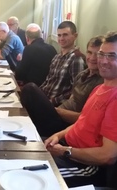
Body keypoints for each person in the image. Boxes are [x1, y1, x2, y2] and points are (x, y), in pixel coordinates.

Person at [44, 31, 117, 188]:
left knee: (34, 177)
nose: (103, 61)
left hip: (87, 167)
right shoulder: (99, 88)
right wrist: (57, 135)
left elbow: (108, 156)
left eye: (112, 56)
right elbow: (81, 122)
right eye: (102, 54)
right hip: (67, 148)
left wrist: (65, 151)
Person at [21, 35, 104, 137]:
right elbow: (71, 98)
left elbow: (84, 119)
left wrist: (54, 109)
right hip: (57, 113)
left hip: (66, 125)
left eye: (98, 54)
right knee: (26, 110)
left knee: (30, 89)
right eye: (90, 52)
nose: (92, 58)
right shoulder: (82, 75)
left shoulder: (100, 83)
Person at [22, 21, 86, 107]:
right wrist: (37, 93)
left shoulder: (76, 59)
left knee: (28, 89)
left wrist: (51, 101)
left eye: (65, 35)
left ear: (75, 36)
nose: (61, 38)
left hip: (55, 105)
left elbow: (74, 91)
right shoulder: (57, 57)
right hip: (44, 98)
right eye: (59, 35)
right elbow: (48, 81)